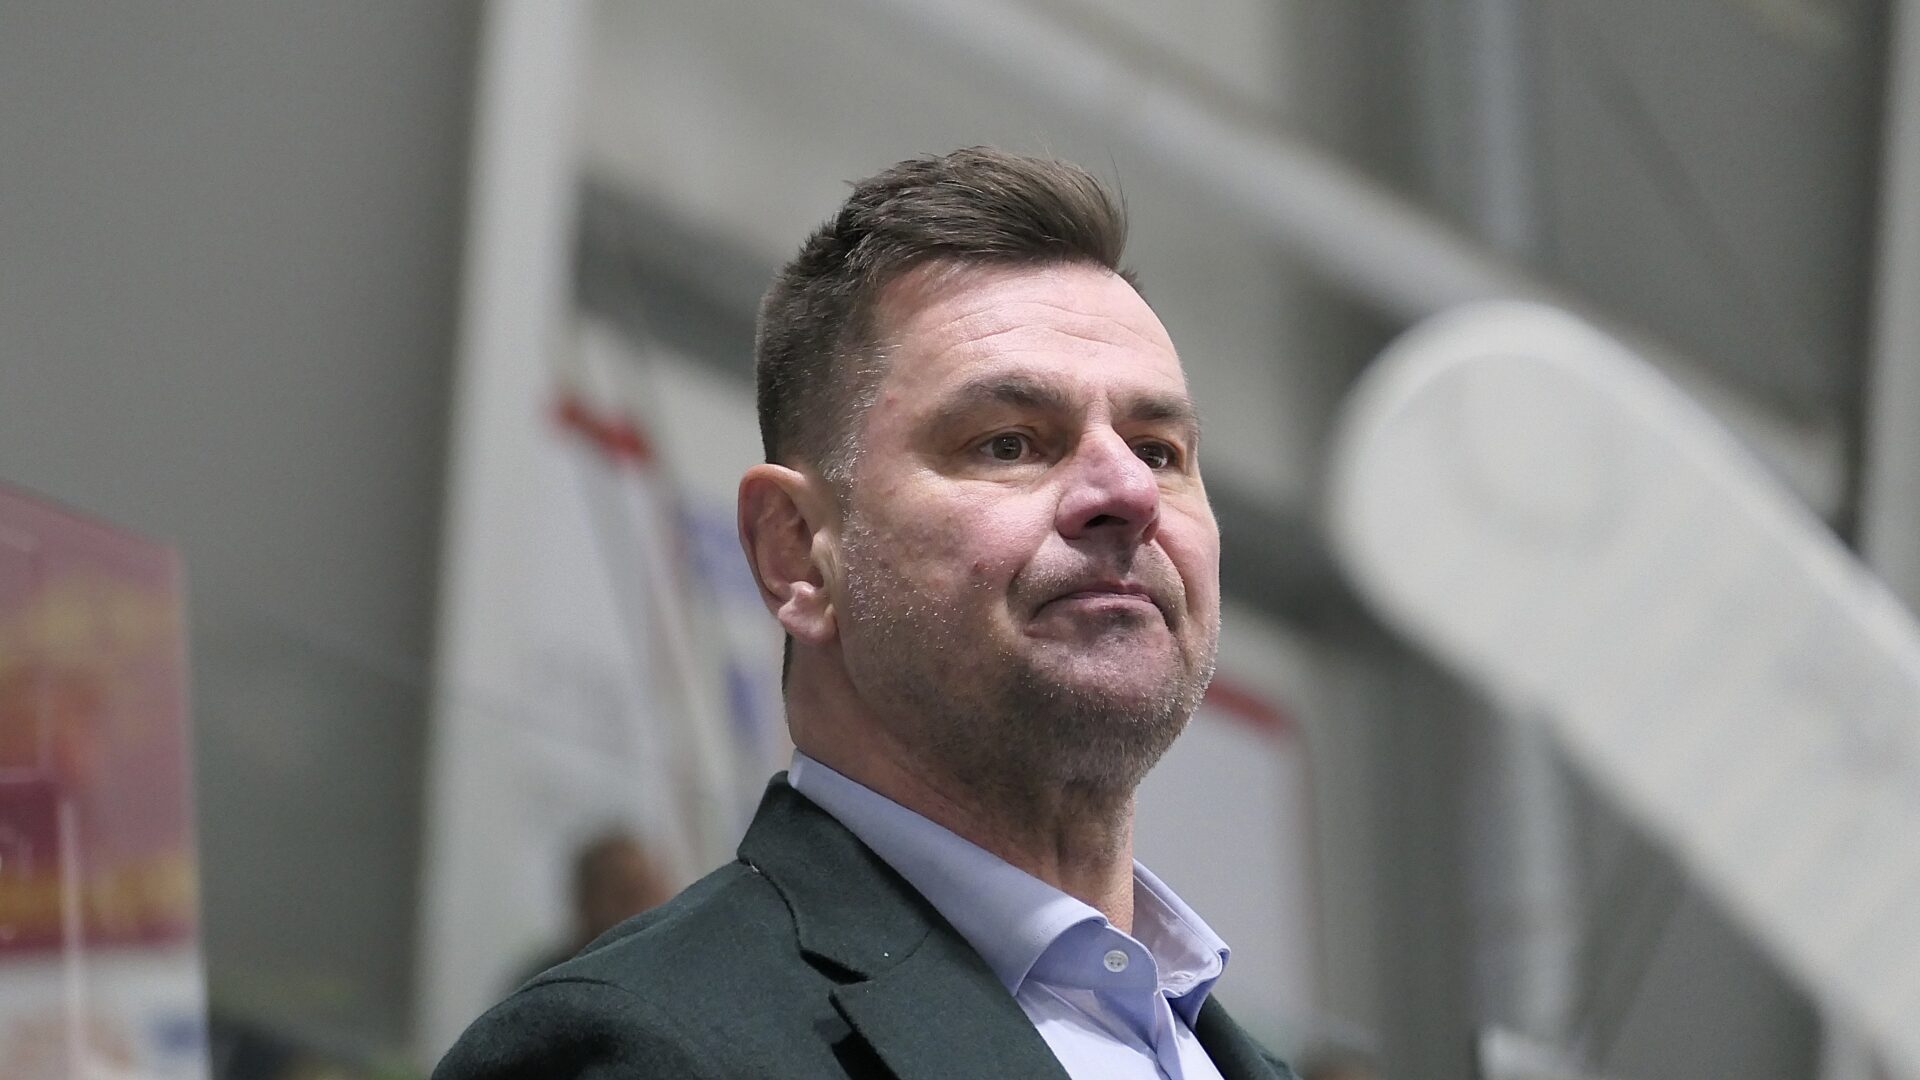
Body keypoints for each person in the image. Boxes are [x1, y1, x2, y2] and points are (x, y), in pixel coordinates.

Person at [434, 147, 1298, 1080]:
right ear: (797, 551)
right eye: (1009, 443)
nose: (1127, 492)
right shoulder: (638, 1049)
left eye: (1159, 451)